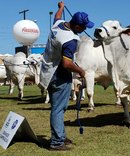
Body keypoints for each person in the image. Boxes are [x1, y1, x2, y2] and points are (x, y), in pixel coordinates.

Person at [39, 1, 94, 151]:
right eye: (83, 27)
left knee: (58, 108)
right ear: (77, 26)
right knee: (58, 109)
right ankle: (56, 142)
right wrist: (81, 71)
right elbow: (66, 64)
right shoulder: (71, 40)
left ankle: (60, 136)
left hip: (47, 72)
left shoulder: (58, 24)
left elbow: (57, 16)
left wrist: (61, 7)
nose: (84, 30)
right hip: (59, 75)